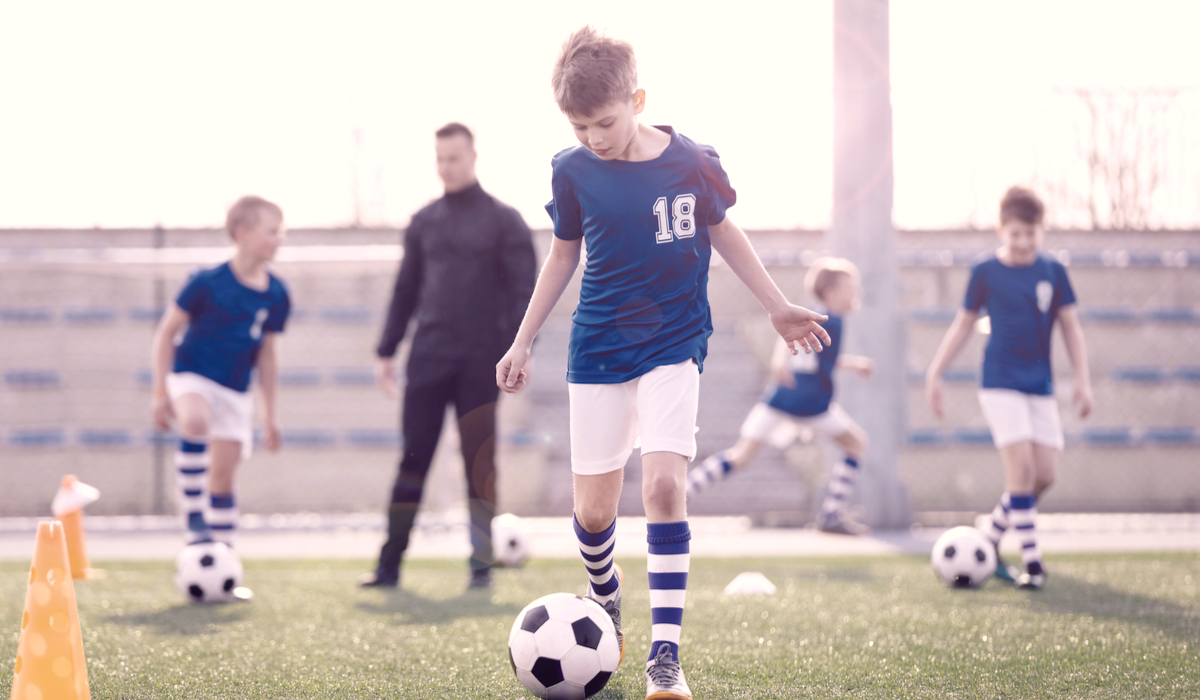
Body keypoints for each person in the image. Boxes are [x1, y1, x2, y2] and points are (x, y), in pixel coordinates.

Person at [496, 27, 831, 700]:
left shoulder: (693, 162)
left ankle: (666, 659)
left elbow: (723, 230)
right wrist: (523, 338)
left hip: (674, 343)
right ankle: (607, 603)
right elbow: (564, 254)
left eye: (606, 121)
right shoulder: (571, 170)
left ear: (638, 99)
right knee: (593, 514)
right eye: (580, 125)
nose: (594, 136)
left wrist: (775, 304)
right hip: (597, 349)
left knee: (663, 491)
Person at [358, 123, 537, 591]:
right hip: (429, 358)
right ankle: (388, 567)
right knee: (412, 458)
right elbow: (405, 290)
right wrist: (386, 350)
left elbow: (524, 294)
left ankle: (481, 567)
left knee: (480, 460)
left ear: (473, 157)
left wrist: (522, 348)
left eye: (454, 158)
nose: (446, 166)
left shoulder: (505, 222)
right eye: (440, 159)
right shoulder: (423, 222)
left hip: (482, 361)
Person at [925, 186, 1092, 590]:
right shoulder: (985, 271)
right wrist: (936, 372)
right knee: (1021, 470)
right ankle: (1033, 565)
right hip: (999, 382)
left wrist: (1082, 380)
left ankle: (988, 539)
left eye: (1030, 234)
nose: (1022, 242)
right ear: (1001, 230)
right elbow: (964, 323)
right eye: (1014, 234)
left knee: (1044, 475)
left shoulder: (1053, 271)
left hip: (1040, 384)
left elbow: (1070, 326)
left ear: (1041, 232)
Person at [687, 257, 875, 535]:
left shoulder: (815, 315)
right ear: (832, 293)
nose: (856, 292)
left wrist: (779, 361)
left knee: (740, 456)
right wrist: (855, 364)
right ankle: (831, 514)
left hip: (782, 398)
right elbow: (827, 362)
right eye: (851, 286)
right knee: (856, 444)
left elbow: (788, 339)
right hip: (811, 403)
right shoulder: (831, 321)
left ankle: (683, 492)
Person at [150, 195, 291, 567]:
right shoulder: (205, 281)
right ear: (243, 233)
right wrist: (160, 391)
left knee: (223, 476)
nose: (279, 240)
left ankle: (224, 557)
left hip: (235, 391)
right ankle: (193, 519)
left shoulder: (276, 293)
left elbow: (267, 354)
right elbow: (166, 334)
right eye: (272, 232)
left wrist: (270, 414)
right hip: (191, 375)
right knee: (196, 422)